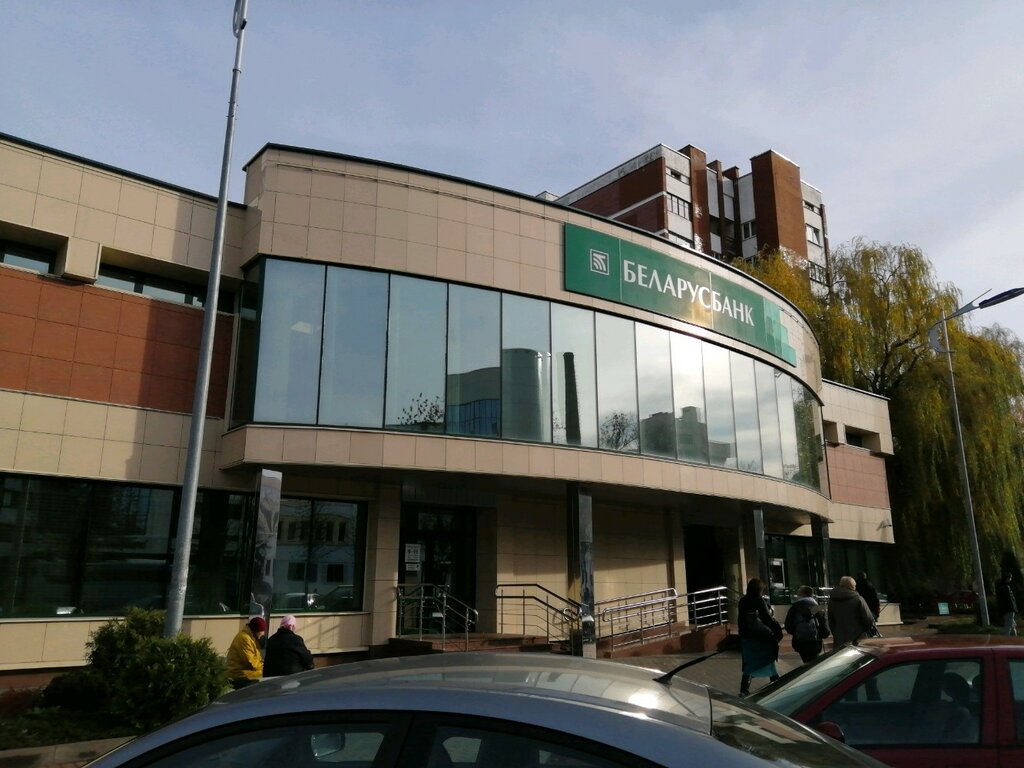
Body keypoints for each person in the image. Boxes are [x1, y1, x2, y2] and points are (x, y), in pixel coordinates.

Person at [737, 577, 783, 696]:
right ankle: (776, 682)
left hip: (747, 638)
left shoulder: (742, 601)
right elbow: (767, 619)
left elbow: (741, 620)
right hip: (761, 637)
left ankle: (744, 690)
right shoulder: (759, 601)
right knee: (768, 658)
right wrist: (777, 630)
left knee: (750, 662)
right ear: (760, 589)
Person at [784, 585, 830, 663]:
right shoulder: (815, 607)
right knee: (814, 662)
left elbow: (788, 625)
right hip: (815, 641)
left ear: (803, 594)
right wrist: (824, 634)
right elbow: (823, 624)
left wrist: (796, 632)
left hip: (800, 641)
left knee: (806, 661)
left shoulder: (795, 607)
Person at [828, 575, 875, 648]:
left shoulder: (832, 600)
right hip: (858, 638)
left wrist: (836, 633)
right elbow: (868, 619)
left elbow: (831, 621)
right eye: (854, 586)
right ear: (852, 586)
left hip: (840, 639)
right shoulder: (858, 599)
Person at [226, 616, 267, 689]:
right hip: (238, 673)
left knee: (267, 675)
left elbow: (256, 658)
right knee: (266, 678)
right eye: (262, 631)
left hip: (244, 671)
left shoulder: (250, 637)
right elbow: (250, 663)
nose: (263, 633)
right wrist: (264, 668)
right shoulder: (244, 639)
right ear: (257, 630)